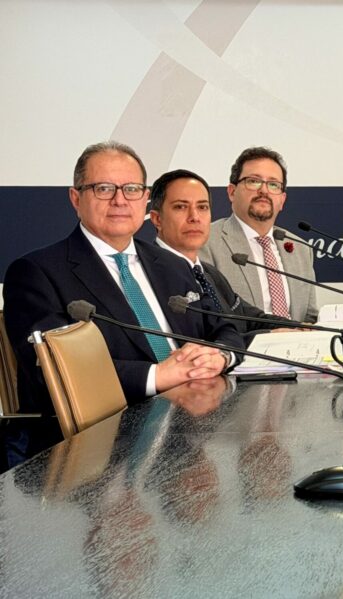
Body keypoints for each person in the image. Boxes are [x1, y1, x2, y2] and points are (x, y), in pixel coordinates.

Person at [3, 142, 243, 465]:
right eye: (103, 188)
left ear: (145, 199)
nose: (119, 200)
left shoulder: (171, 264)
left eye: (131, 189)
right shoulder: (36, 272)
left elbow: (225, 326)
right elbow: (60, 371)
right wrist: (157, 376)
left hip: (193, 432)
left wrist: (218, 357)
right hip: (95, 453)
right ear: (76, 198)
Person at [149, 169, 293, 343]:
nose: (194, 217)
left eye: (202, 207)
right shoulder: (150, 273)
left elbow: (249, 319)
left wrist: (300, 329)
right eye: (181, 207)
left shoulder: (207, 273)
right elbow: (200, 341)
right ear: (157, 219)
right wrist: (267, 337)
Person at [199, 147, 318, 323]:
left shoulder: (300, 248)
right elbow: (210, 319)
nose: (264, 190)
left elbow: (310, 316)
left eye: (273, 184)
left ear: (282, 200)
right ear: (232, 192)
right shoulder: (206, 242)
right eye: (254, 181)